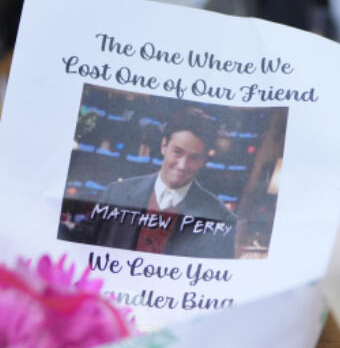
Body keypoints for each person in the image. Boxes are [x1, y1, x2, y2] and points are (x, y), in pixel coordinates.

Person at [78, 108, 238, 260]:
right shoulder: (116, 194)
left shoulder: (221, 219)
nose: (182, 165)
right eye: (178, 152)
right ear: (164, 146)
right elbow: (80, 244)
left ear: (203, 160)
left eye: (194, 158)